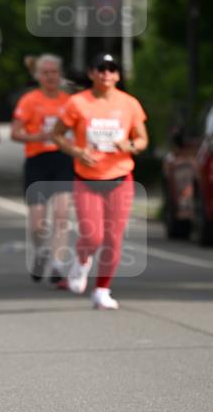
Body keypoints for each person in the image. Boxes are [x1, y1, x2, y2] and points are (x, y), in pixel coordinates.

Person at [52, 53, 148, 309]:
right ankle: (82, 260)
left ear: (118, 75)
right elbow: (57, 135)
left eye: (111, 69)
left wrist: (129, 145)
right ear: (91, 73)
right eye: (101, 69)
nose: (106, 74)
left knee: (113, 239)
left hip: (120, 178)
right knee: (93, 236)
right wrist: (76, 151)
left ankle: (102, 289)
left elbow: (142, 139)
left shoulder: (129, 103)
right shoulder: (77, 102)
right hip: (87, 178)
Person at [11, 54, 74, 285]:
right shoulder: (29, 100)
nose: (50, 77)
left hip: (63, 160)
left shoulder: (70, 102)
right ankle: (40, 251)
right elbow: (15, 133)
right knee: (38, 222)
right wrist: (39, 136)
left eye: (54, 72)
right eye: (45, 73)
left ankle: (58, 264)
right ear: (38, 75)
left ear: (60, 74)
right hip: (37, 161)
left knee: (61, 214)